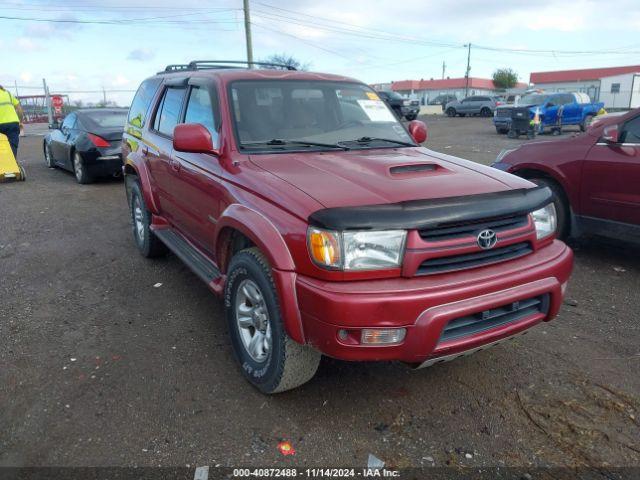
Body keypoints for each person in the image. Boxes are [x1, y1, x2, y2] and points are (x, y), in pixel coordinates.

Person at [0, 85, 24, 158]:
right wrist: (20, 121)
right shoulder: (8, 93)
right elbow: (19, 109)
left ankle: (3, 163)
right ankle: (11, 164)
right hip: (12, 124)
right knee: (12, 146)